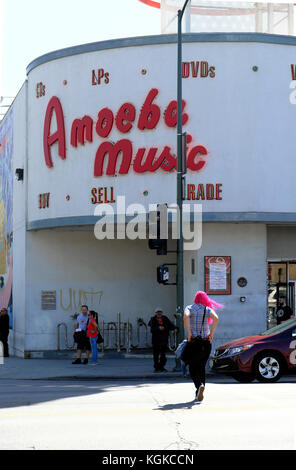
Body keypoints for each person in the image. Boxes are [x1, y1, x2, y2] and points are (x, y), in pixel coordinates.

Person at [183, 291, 222, 403]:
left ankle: (199, 385)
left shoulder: (190, 308)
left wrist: (189, 333)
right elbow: (216, 318)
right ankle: (199, 391)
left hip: (195, 342)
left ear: (196, 299)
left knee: (192, 367)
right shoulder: (207, 309)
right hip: (206, 343)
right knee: (201, 367)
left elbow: (185, 317)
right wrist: (211, 334)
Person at [148, 307, 177, 372]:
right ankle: (156, 367)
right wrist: (158, 328)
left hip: (164, 339)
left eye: (160, 312)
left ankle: (161, 367)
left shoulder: (165, 318)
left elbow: (170, 325)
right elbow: (152, 329)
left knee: (163, 355)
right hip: (156, 340)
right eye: (158, 312)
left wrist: (174, 328)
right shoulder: (153, 319)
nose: (159, 313)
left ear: (162, 312)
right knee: (156, 355)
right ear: (155, 313)